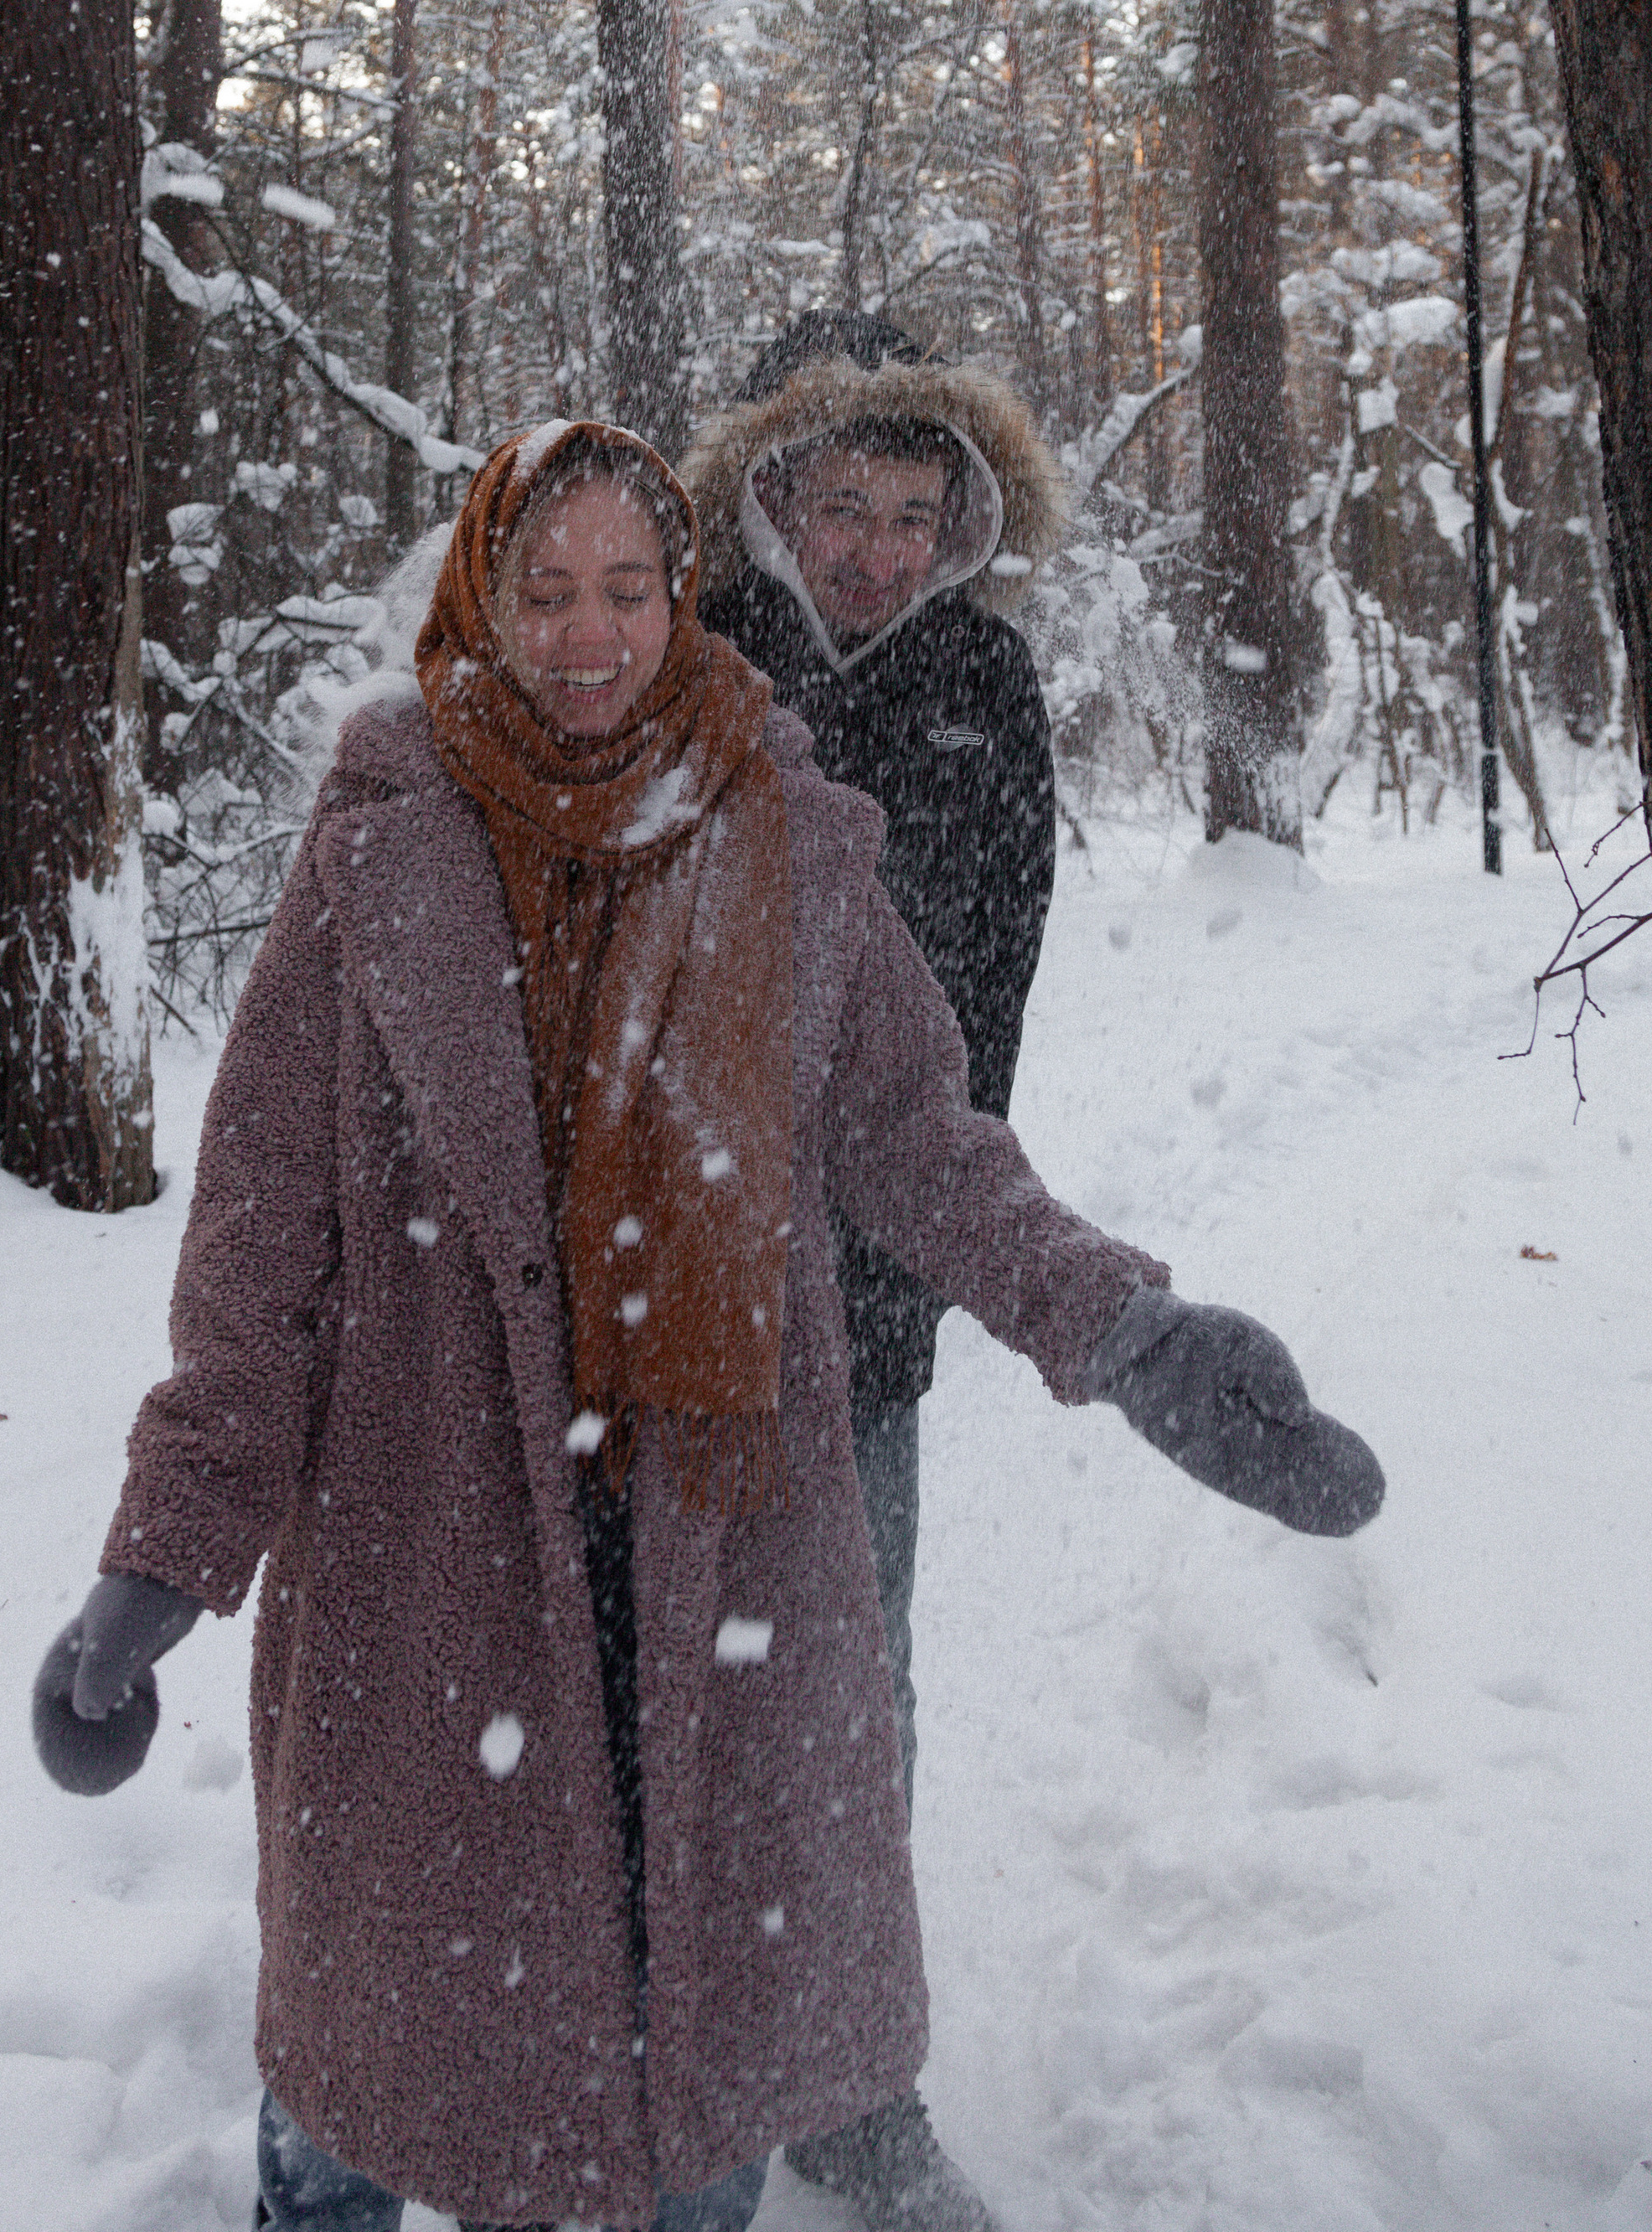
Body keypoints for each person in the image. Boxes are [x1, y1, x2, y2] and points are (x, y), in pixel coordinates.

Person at [31, 419, 1383, 2232]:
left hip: (713, 1541)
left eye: (625, 590)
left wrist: (1121, 1329)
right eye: (546, 592)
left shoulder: (782, 838)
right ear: (481, 602)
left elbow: (922, 1141)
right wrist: (164, 1558)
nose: (589, 636)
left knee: (704, 2018)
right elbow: (263, 1253)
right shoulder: (378, 856)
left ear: (681, 599)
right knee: (374, 2056)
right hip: (428, 1544)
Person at [686, 312, 1065, 2232]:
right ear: (768, 495)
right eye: (841, 503)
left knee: (848, 1706)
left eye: (915, 512)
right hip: (650, 1291)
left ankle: (848, 2092)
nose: (874, 550)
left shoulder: (981, 688)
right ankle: (664, 2090)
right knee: (640, 1695)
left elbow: (965, 1019)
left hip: (863, 1306)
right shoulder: (671, 664)